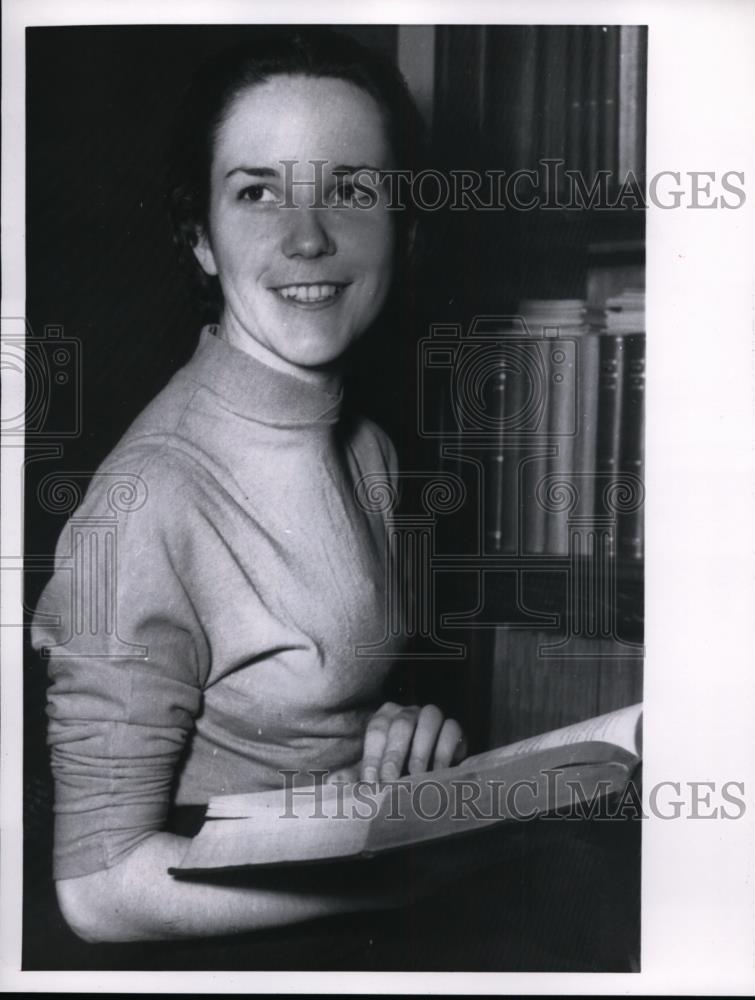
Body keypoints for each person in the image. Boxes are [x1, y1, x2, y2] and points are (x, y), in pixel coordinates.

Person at [31, 28, 468, 947]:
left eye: (351, 189)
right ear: (199, 237)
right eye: (256, 191)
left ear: (406, 226)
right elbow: (97, 891)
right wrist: (396, 889)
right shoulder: (147, 498)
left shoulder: (373, 452)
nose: (306, 236)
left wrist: (394, 745)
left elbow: (305, 711)